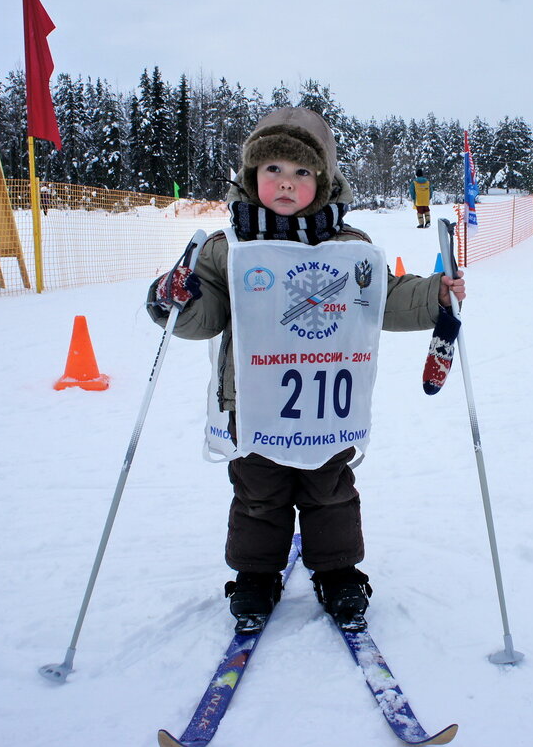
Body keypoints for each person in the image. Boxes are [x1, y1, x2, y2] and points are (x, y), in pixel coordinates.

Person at [146, 108, 465, 634]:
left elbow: (381, 301)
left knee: (329, 486)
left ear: (323, 180)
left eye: (301, 173)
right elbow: (202, 319)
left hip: (327, 400)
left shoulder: (349, 247)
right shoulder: (229, 249)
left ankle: (338, 572)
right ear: (252, 177)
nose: (286, 184)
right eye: (273, 170)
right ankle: (255, 576)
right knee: (258, 491)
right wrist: (172, 297)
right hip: (252, 399)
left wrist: (435, 293)